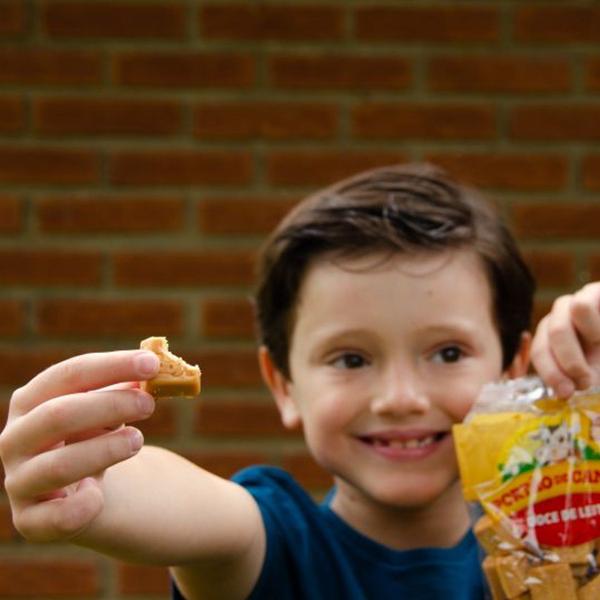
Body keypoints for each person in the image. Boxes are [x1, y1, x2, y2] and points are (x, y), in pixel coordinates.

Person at [0, 164, 599, 600]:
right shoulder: (273, 544)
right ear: (283, 383)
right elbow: (188, 502)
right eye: (350, 359)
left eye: (447, 352)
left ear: (513, 366)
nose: (400, 398)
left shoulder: (565, 550)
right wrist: (89, 478)